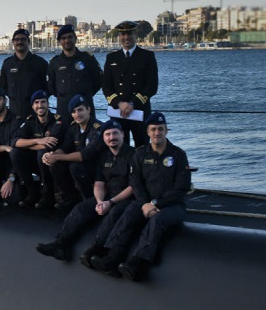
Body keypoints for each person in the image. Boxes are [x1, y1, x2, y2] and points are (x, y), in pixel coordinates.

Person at [89, 112, 191, 281]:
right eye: (153, 129)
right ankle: (112, 256)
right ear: (148, 132)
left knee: (157, 221)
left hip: (172, 205)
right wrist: (145, 204)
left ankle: (139, 263)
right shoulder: (140, 154)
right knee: (128, 213)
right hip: (146, 202)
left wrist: (156, 203)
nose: (157, 133)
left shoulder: (178, 155)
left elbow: (182, 187)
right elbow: (136, 184)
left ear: (167, 131)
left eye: (160, 129)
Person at [35, 119, 134, 263]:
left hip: (126, 198)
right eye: (108, 134)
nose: (112, 137)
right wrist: (100, 201)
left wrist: (110, 202)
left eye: (115, 133)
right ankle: (61, 245)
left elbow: (133, 186)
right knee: (80, 209)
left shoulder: (133, 155)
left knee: (113, 214)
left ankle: (95, 250)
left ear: (122, 135)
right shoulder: (104, 156)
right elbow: (99, 184)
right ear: (104, 138)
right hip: (108, 196)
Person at [42, 95, 105, 212]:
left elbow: (85, 155)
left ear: (89, 109)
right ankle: (71, 198)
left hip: (98, 167)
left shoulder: (98, 128)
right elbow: (65, 147)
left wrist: (57, 157)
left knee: (75, 167)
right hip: (81, 165)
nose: (77, 114)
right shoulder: (74, 127)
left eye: (80, 110)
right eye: (74, 112)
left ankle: (89, 200)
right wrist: (52, 154)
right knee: (56, 165)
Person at [103, 20, 159, 148]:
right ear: (119, 37)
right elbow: (106, 85)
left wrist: (132, 104)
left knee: (142, 147)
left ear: (135, 35)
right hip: (118, 112)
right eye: (123, 34)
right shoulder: (112, 58)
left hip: (139, 110)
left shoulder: (147, 56)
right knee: (120, 149)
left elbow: (152, 86)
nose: (126, 37)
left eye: (129, 34)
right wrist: (119, 103)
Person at [10, 90, 61, 209]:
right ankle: (32, 191)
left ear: (48, 104)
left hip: (52, 162)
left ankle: (48, 194)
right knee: (15, 153)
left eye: (43, 102)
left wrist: (29, 145)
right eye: (36, 102)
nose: (40, 105)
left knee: (42, 153)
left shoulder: (57, 121)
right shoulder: (30, 121)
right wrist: (38, 140)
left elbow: (50, 145)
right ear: (33, 106)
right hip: (35, 161)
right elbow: (15, 142)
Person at [47, 24, 101, 121]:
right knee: (64, 135)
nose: (67, 40)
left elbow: (98, 81)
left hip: (84, 106)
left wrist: (85, 94)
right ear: (59, 41)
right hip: (64, 108)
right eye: (63, 38)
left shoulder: (87, 58)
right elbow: (51, 86)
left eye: (69, 37)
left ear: (75, 38)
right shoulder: (55, 62)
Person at [0, 29, 48, 121]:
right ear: (13, 42)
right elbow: (3, 86)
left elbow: (48, 86)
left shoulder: (40, 63)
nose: (19, 42)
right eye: (17, 40)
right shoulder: (7, 63)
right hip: (14, 110)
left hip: (35, 111)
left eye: (23, 39)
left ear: (28, 42)